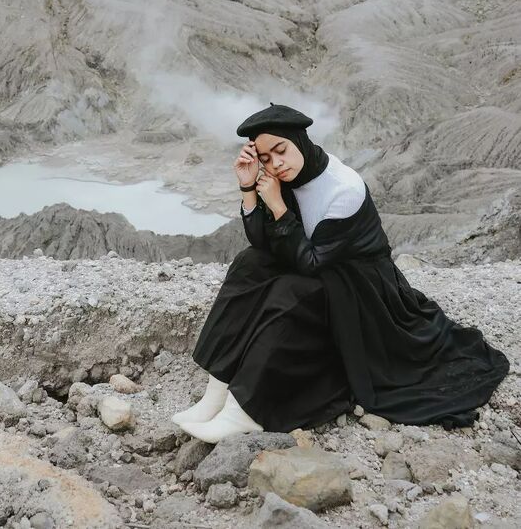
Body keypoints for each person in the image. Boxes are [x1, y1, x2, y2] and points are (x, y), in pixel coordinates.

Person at [171, 102, 510, 444]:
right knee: (249, 265)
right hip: (319, 269)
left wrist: (275, 204)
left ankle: (244, 411)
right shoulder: (282, 179)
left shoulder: (343, 188)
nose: (276, 163)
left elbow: (314, 263)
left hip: (363, 289)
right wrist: (248, 189)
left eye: (281, 150)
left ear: (299, 141)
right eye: (266, 158)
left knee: (290, 293)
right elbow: (262, 242)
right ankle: (217, 389)